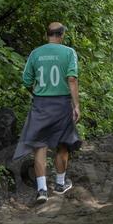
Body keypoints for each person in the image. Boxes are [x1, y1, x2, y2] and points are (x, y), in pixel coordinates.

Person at [13, 22, 81, 205]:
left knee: (39, 146)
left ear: (47, 35)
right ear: (62, 35)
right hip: (61, 104)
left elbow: (26, 79)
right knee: (63, 144)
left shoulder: (35, 53)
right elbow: (72, 79)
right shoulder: (69, 53)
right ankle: (60, 184)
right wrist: (76, 105)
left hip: (41, 105)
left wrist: (36, 92)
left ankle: (42, 189)